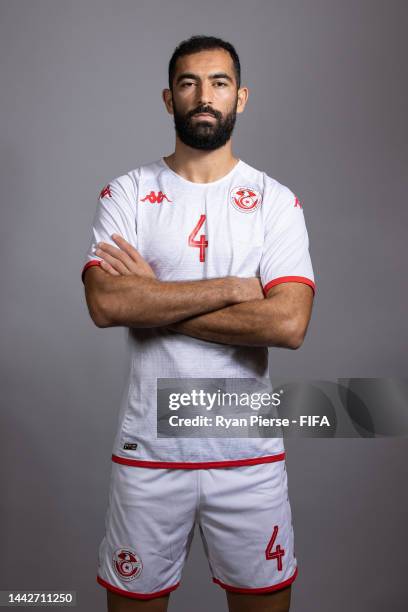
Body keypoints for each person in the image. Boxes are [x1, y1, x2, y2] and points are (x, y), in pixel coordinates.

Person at [82, 35, 315, 612]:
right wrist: (235, 292)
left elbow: (288, 323)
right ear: (169, 99)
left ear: (242, 98)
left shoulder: (275, 202)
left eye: (218, 83)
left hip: (249, 456)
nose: (203, 95)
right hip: (149, 455)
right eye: (189, 83)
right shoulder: (127, 193)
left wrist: (153, 299)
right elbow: (107, 305)